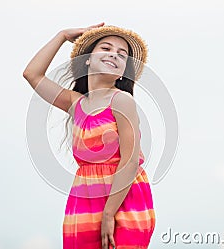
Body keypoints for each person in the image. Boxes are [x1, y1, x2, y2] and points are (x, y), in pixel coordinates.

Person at [23, 22, 155, 249]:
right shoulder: (76, 104)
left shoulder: (122, 100)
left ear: (123, 70)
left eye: (122, 55)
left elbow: (130, 161)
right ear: (87, 59)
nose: (114, 55)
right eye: (106, 48)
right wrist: (62, 35)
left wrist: (108, 215)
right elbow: (32, 74)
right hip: (84, 202)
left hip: (123, 202)